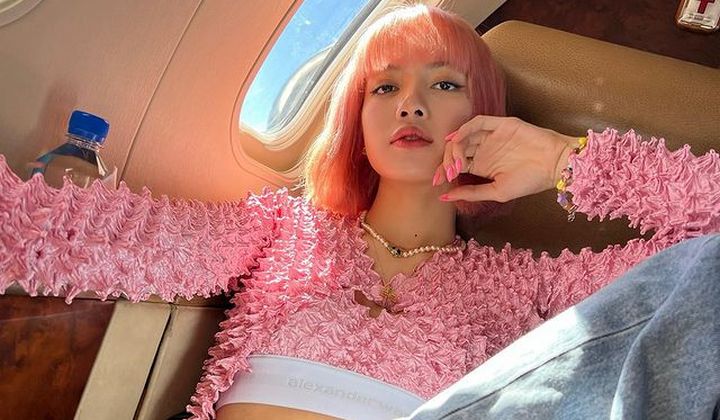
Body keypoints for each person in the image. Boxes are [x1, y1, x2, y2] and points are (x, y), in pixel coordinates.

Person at [0, 4, 718, 420]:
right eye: (384, 87)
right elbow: (102, 239)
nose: (412, 104)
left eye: (445, 84)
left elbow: (705, 266)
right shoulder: (280, 230)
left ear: (487, 117)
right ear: (357, 122)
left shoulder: (528, 285)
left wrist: (563, 159)